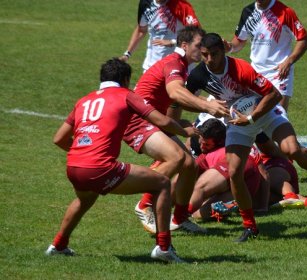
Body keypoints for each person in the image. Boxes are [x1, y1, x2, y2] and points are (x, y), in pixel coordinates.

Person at [186, 33, 307, 242]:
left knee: (291, 150)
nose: (209, 60)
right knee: (234, 172)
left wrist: (251, 118)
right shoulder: (198, 75)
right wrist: (204, 105)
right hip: (238, 120)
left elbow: (274, 95)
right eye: (205, 55)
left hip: (264, 111)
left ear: (223, 51)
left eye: (214, 55)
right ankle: (250, 226)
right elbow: (181, 98)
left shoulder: (240, 69)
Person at [45, 58, 199, 263]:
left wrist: (82, 153)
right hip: (100, 167)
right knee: (161, 183)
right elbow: (161, 121)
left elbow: (58, 138)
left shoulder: (84, 100)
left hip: (74, 166)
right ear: (125, 80)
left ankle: (58, 245)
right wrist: (184, 130)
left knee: (85, 199)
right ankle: (164, 247)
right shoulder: (126, 95)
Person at [123, 26, 229, 234]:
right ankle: (145, 204)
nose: (203, 50)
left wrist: (197, 109)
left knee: (191, 165)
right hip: (137, 121)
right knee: (179, 158)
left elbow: (179, 100)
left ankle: (180, 217)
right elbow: (176, 93)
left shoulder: (182, 65)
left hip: (154, 119)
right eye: (199, 45)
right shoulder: (174, 63)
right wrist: (208, 105)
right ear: (184, 45)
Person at [224, 0, 307, 112]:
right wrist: (229, 47)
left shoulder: (285, 12)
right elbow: (240, 41)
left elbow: (303, 40)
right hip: (255, 73)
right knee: (255, 116)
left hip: (279, 73)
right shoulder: (248, 12)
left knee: (278, 115)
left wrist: (289, 61)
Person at [186, 118, 270, 221]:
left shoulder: (210, 155)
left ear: (220, 141)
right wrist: (263, 207)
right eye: (201, 143)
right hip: (249, 183)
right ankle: (227, 206)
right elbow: (264, 173)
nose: (202, 147)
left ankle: (179, 218)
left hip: (235, 168)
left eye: (207, 144)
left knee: (199, 188)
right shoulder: (245, 145)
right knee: (197, 214)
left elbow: (188, 174)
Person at [120, 0, 200, 72]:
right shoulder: (146, 3)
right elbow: (141, 30)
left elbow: (196, 33)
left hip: (181, 66)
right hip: (153, 65)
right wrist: (127, 54)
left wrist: (173, 42)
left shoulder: (180, 5)